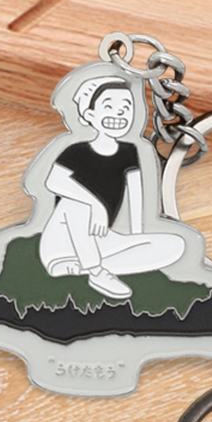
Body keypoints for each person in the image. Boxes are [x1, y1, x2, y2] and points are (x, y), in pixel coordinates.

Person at [38, 76, 184, 299]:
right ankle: (94, 271)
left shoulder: (129, 151)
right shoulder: (76, 151)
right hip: (64, 239)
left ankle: (82, 267)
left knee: (177, 245)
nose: (118, 114)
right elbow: (53, 182)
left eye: (125, 108)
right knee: (76, 204)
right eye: (109, 107)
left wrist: (138, 238)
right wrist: (95, 205)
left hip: (102, 238)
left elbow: (135, 195)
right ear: (90, 115)